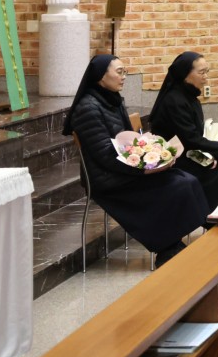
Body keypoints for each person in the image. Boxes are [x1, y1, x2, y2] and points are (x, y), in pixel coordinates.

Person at [63, 54, 208, 268]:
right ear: (101, 76)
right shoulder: (87, 108)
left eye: (125, 72)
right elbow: (105, 155)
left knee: (187, 179)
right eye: (119, 72)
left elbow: (129, 141)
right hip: (107, 179)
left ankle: (172, 242)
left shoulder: (112, 99)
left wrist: (154, 154)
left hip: (123, 169)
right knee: (177, 186)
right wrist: (144, 170)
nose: (124, 77)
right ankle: (167, 247)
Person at [146, 51, 218, 211]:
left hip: (191, 153)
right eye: (201, 72)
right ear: (185, 75)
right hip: (177, 160)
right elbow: (189, 139)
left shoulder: (188, 96)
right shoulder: (174, 101)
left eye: (207, 71)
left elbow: (193, 137)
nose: (206, 77)